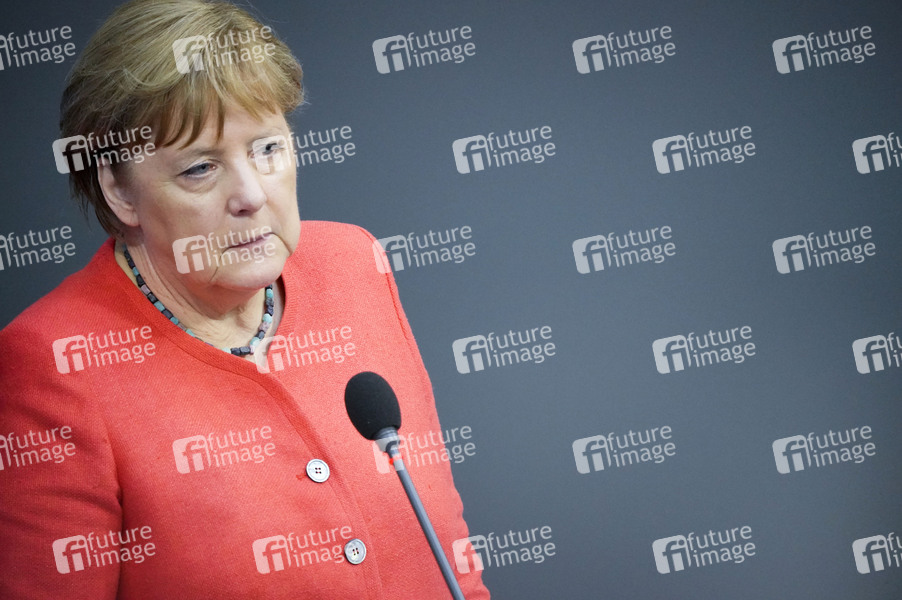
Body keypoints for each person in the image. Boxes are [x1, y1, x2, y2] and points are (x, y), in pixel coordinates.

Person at [0, 1, 490, 598]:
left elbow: (450, 553)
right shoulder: (54, 364)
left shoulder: (353, 265)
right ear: (120, 192)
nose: (252, 195)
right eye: (200, 168)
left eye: (267, 149)